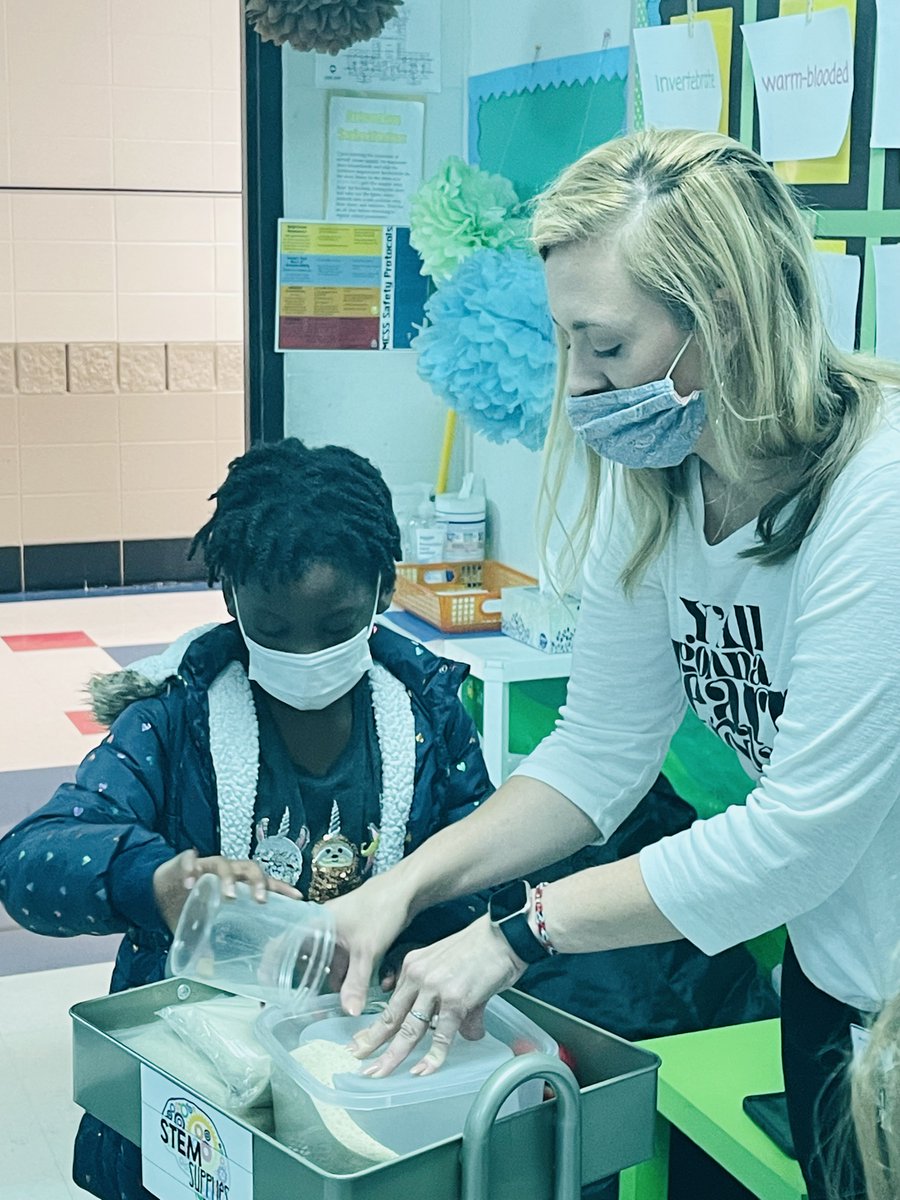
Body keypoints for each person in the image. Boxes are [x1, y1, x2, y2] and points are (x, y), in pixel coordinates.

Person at [326, 129, 900, 1200]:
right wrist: (400, 889)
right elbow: (594, 756)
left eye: (607, 347)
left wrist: (516, 935)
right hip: (837, 985)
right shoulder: (667, 495)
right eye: (566, 346)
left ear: (725, 316)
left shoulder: (879, 493)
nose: (581, 388)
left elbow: (797, 840)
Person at [0, 438, 493, 1200]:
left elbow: (479, 858)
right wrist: (159, 882)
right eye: (274, 625)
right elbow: (29, 864)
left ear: (382, 590)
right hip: (208, 1070)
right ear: (229, 599)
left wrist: (420, 946)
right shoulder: (174, 721)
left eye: (335, 626)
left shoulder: (425, 715)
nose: (306, 653)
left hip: (357, 1063)